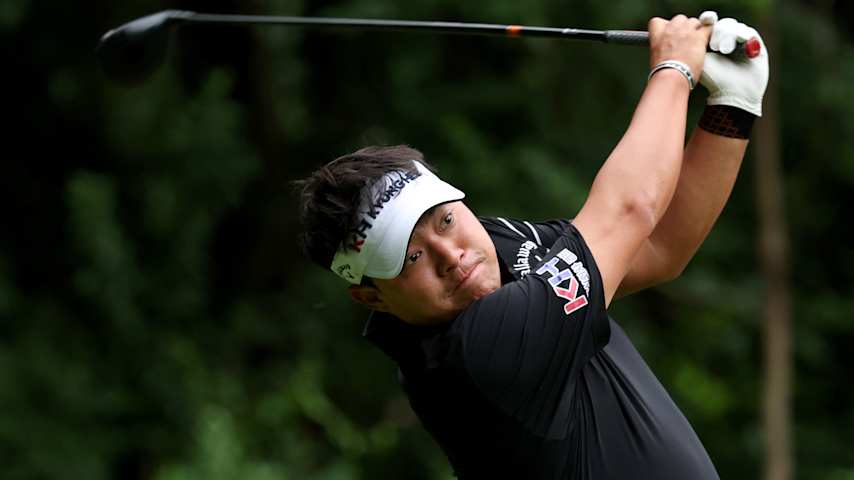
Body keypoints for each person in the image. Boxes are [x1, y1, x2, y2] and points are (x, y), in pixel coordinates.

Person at [295, 11, 768, 480]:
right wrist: (675, 69)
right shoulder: (479, 353)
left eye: (445, 219)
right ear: (371, 297)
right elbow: (629, 212)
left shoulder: (491, 250)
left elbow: (656, 248)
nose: (450, 255)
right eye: (411, 257)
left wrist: (733, 107)